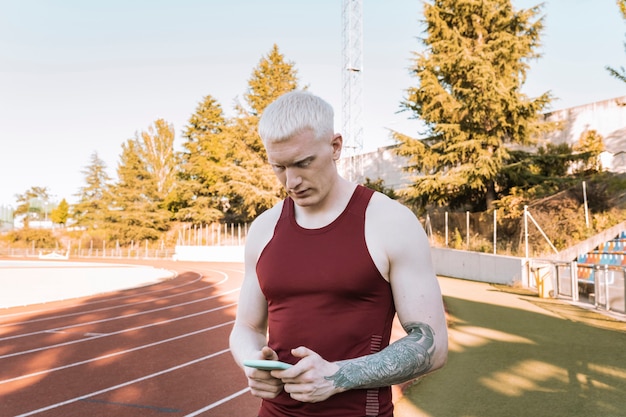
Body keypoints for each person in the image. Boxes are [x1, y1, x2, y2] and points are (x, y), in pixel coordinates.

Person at [229, 90, 448, 417]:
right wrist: (252, 364)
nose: (292, 181)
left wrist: (338, 376)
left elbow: (431, 345)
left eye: (304, 163)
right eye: (279, 167)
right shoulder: (264, 228)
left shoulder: (390, 222)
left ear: (335, 147)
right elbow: (246, 326)